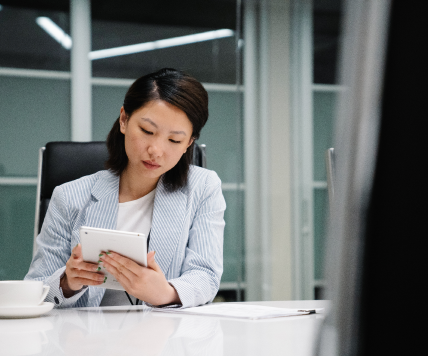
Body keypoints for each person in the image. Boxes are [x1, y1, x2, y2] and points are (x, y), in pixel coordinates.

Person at [25, 68, 226, 308]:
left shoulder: (203, 188)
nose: (156, 150)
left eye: (174, 140)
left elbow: (206, 275)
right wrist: (67, 282)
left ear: (189, 143)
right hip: (84, 340)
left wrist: (166, 293)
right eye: (147, 131)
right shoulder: (69, 197)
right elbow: (36, 290)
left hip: (165, 338)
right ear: (124, 120)